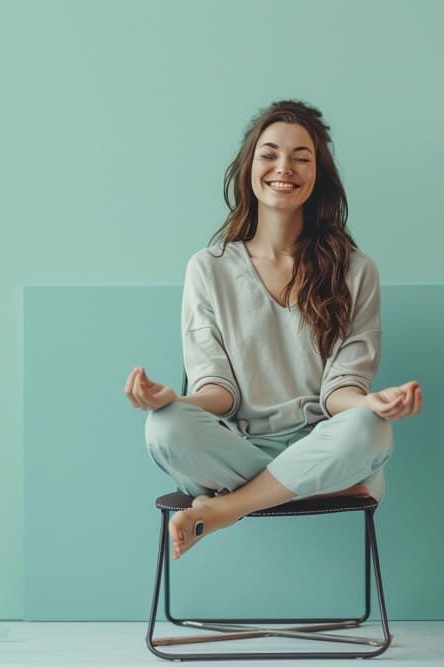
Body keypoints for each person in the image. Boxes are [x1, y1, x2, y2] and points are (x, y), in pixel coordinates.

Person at [124, 100, 422, 560]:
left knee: (370, 429)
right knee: (163, 428)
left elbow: (341, 389)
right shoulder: (209, 268)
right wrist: (175, 401)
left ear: (318, 174)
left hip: (323, 443)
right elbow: (218, 391)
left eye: (301, 157)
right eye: (270, 154)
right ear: (249, 167)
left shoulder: (356, 271)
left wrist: (371, 403)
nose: (284, 167)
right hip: (240, 451)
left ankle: (225, 510)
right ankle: (281, 485)